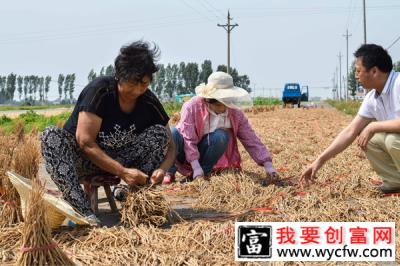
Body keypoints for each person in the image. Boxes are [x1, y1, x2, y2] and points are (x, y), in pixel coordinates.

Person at [41, 41, 175, 224]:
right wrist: (121, 171)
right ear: (120, 76)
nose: (139, 89)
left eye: (144, 83)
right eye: (134, 82)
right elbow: (85, 142)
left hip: (122, 157)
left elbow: (171, 146)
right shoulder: (100, 92)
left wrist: (162, 169)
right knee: (51, 136)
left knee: (159, 134)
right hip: (83, 160)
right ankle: (83, 211)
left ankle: (134, 198)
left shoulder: (149, 101)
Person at [300, 43, 400, 193]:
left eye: (358, 70)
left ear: (374, 71)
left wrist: (373, 126)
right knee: (368, 139)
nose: (355, 75)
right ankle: (395, 181)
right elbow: (350, 131)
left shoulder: (398, 83)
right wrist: (319, 160)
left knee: (390, 139)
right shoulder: (372, 98)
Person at [162, 71, 278, 185]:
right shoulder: (192, 107)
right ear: (208, 100)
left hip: (206, 153)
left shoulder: (234, 113)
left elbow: (251, 138)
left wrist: (268, 165)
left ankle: (204, 173)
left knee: (221, 136)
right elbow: (188, 140)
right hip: (184, 151)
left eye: (226, 103)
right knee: (173, 133)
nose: (223, 108)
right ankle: (169, 172)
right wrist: (195, 167)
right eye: (218, 104)